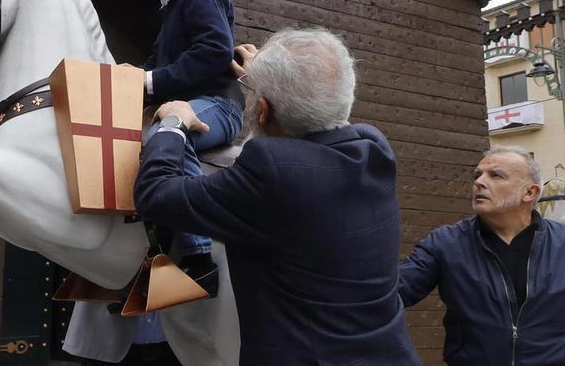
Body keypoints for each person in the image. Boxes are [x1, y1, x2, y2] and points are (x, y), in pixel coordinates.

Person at [133, 27, 421, 365]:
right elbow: (325, 118)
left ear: (264, 111)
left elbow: (157, 194)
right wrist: (272, 80)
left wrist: (171, 125)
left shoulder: (273, 171)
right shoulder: (375, 149)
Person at [128, 0, 244, 293]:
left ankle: (198, 256)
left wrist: (148, 83)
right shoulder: (174, 4)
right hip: (192, 99)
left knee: (174, 132)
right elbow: (156, 62)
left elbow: (214, 51)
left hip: (219, 105)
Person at [399, 145, 565, 365]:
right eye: (477, 175)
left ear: (530, 192)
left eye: (496, 175)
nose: (479, 182)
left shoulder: (561, 243)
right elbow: (390, 295)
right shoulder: (445, 243)